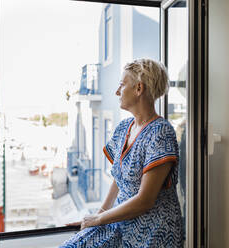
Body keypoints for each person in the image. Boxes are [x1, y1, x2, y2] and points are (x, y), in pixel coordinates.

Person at [60, 58, 184, 248]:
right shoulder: (123, 128)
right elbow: (118, 180)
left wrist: (99, 220)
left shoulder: (161, 132)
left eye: (122, 85)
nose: (117, 92)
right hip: (121, 221)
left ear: (139, 89)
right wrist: (98, 216)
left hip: (153, 231)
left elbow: (145, 201)